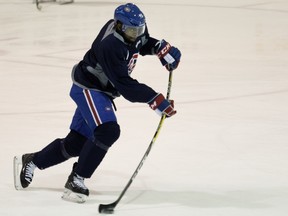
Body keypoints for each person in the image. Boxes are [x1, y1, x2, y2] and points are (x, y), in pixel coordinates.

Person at [14, 3, 181, 203]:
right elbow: (124, 85)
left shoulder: (131, 31)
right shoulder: (110, 44)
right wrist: (155, 99)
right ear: (119, 26)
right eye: (132, 30)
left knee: (76, 144)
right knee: (108, 130)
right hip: (89, 89)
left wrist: (158, 47)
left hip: (101, 91)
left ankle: (32, 161)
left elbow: (141, 42)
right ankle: (76, 180)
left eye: (140, 29)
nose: (136, 34)